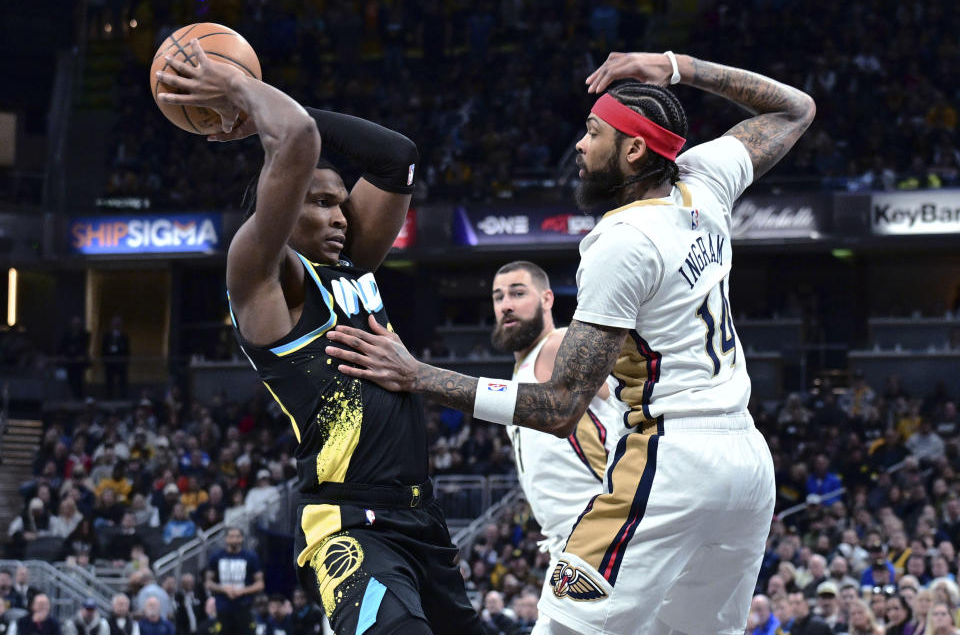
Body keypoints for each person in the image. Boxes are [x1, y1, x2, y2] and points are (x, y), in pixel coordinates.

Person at [325, 48, 815, 634]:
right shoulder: (705, 180)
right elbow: (795, 109)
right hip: (747, 464)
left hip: (671, 459)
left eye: (593, 133)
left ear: (634, 150)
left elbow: (559, 407)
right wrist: (676, 66)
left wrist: (417, 375)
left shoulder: (622, 238)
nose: (580, 146)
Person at [157, 38, 484, 634]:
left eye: (342, 204)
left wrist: (281, 109)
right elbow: (299, 140)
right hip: (350, 526)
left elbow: (397, 159)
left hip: (422, 518)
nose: (340, 216)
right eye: (321, 203)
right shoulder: (264, 271)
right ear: (281, 208)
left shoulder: (353, 265)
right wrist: (238, 91)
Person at [489, 260, 623, 633]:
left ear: (547, 298)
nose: (506, 305)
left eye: (518, 292)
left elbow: (623, 401)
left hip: (597, 528)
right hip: (570, 540)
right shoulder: (523, 368)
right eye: (498, 297)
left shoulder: (556, 344)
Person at [204, 528, 263, 635]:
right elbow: (208, 583)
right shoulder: (216, 556)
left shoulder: (251, 557)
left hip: (244, 607)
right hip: (223, 608)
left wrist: (242, 591)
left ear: (242, 538)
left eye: (237, 536)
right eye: (231, 536)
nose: (234, 539)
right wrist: (224, 589)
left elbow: (260, 584)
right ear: (226, 539)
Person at [58, 316, 91, 399]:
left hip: (79, 364)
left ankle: (79, 399)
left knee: (79, 382)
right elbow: (62, 348)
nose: (76, 325)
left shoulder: (85, 335)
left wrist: (81, 357)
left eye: (78, 324)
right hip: (69, 363)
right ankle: (72, 398)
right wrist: (64, 356)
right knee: (70, 382)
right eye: (74, 324)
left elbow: (84, 348)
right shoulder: (66, 335)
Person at [101, 316, 129, 399]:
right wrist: (105, 361)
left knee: (122, 382)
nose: (116, 325)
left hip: (121, 363)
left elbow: (127, 351)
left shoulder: (124, 337)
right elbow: (103, 349)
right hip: (110, 363)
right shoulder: (107, 336)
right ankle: (109, 397)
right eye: (115, 323)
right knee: (109, 381)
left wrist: (126, 362)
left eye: (118, 324)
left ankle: (122, 397)